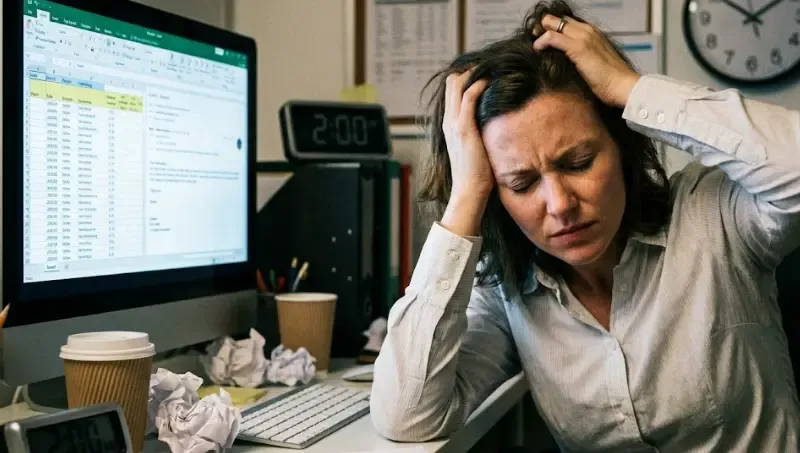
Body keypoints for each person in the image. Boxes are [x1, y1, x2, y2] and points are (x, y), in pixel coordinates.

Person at [369, 1, 800, 451]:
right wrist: (465, 196)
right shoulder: (506, 292)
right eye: (521, 183)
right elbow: (407, 415)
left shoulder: (714, 215)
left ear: (622, 149)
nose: (560, 205)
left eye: (578, 162)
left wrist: (631, 90)